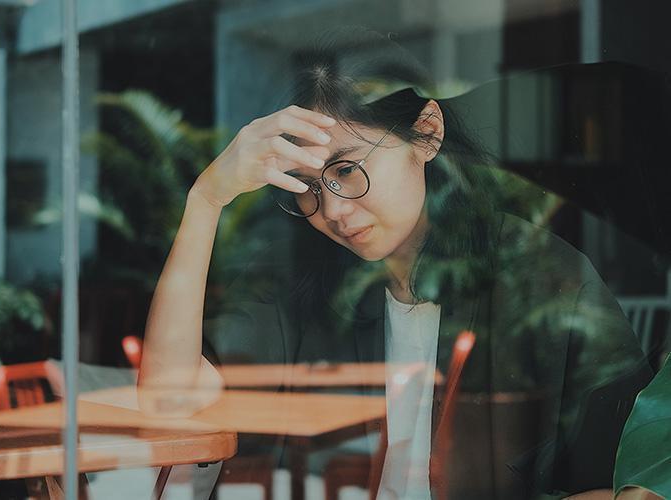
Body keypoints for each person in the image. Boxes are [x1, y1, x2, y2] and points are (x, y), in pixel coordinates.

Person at [138, 29, 653, 499]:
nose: (333, 210)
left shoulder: (545, 279)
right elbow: (170, 401)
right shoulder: (306, 285)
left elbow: (631, 485)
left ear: (426, 134)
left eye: (347, 168)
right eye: (309, 188)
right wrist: (206, 200)